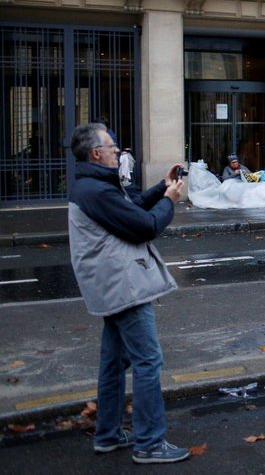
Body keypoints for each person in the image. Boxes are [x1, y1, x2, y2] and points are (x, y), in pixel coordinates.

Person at [67, 122, 190, 464]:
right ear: (96, 153)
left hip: (111, 286)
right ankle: (150, 443)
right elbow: (144, 226)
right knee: (148, 361)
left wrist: (159, 189)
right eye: (111, 146)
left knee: (114, 362)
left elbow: (132, 206)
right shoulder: (97, 190)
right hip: (123, 287)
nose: (116, 150)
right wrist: (169, 201)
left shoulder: (94, 185)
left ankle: (107, 434)